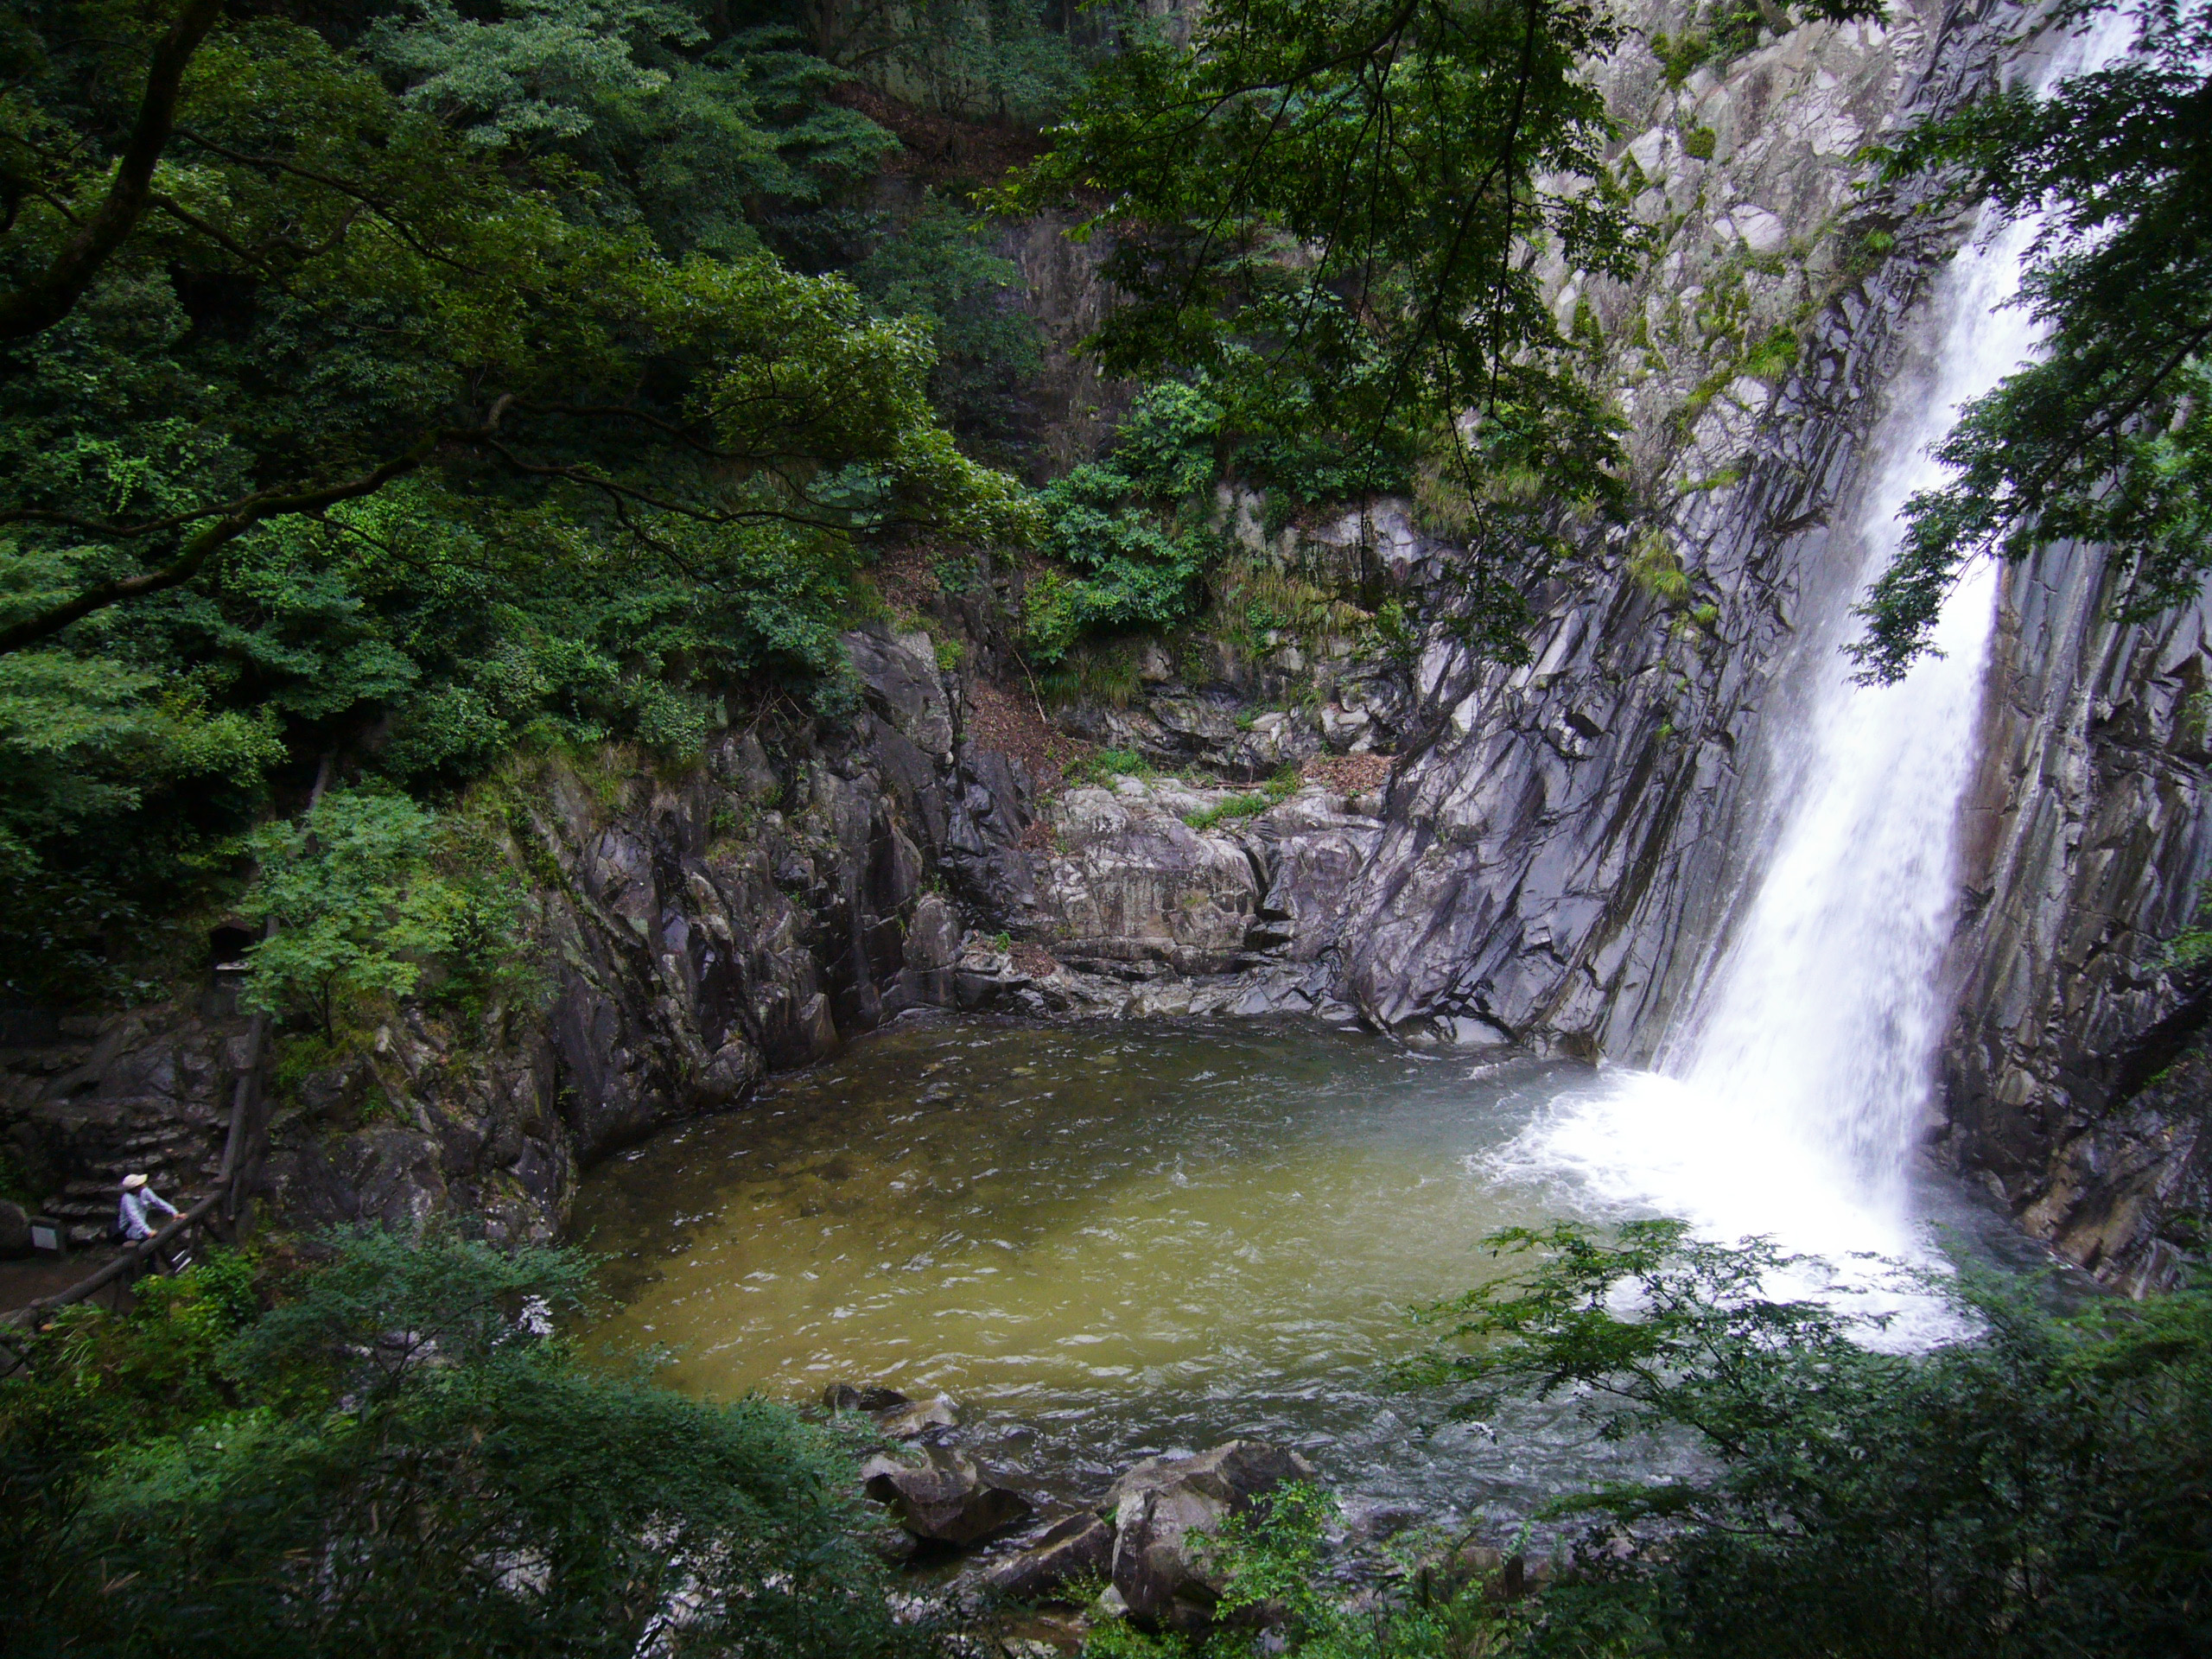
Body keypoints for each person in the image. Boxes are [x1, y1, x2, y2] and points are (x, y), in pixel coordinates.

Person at [117, 1172, 180, 1262]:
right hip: (130, 1230)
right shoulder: (128, 1200)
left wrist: (174, 1212)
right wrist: (148, 1231)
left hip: (140, 1225)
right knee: (148, 1250)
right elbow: (135, 1217)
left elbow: (158, 1202)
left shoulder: (144, 1191)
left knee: (152, 1248)